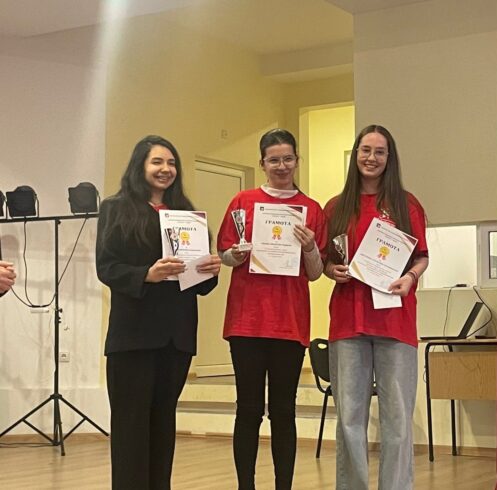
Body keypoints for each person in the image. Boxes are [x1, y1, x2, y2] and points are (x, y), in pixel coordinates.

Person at [96, 135, 221, 490]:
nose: (166, 169)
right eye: (157, 162)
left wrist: (210, 271)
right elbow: (106, 267)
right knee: (130, 428)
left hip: (176, 337)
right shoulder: (116, 208)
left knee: (163, 425)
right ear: (140, 166)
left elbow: (200, 285)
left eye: (171, 163)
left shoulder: (187, 215)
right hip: (133, 337)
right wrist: (146, 275)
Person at [217, 129, 327, 490]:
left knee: (283, 412)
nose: (282, 166)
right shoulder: (242, 201)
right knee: (248, 409)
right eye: (274, 160)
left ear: (297, 160)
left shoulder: (311, 210)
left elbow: (316, 273)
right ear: (262, 163)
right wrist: (235, 255)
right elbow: (224, 255)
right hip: (246, 322)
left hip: (289, 323)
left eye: (288, 158)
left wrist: (310, 248)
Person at [324, 125, 429, 490]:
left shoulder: (406, 204)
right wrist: (331, 270)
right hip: (347, 323)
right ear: (356, 155)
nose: (371, 158)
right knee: (349, 419)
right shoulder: (336, 207)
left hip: (395, 321)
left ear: (389, 158)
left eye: (379, 152)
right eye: (365, 150)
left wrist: (410, 278)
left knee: (397, 419)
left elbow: (421, 257)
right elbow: (327, 259)